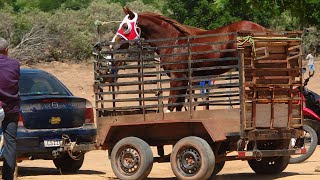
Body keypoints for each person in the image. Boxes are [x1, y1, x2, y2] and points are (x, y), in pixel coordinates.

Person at [0, 37, 20, 180]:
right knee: (10, 143)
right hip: (11, 108)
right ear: (6, 50)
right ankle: (8, 177)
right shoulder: (14, 64)